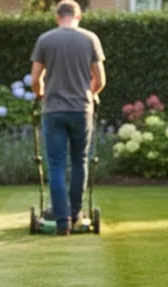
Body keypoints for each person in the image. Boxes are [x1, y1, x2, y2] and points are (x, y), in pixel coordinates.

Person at [30, 0, 105, 235]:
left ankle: (62, 221)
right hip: (81, 109)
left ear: (57, 17)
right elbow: (100, 80)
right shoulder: (90, 39)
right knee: (80, 161)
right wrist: (90, 93)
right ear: (78, 16)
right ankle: (75, 213)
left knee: (56, 165)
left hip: (53, 110)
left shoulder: (45, 40)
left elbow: (35, 79)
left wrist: (41, 94)